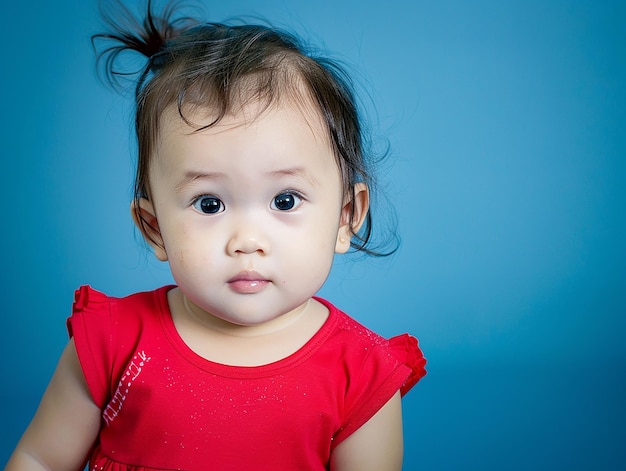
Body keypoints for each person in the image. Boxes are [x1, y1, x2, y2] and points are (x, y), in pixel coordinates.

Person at [6, 1, 426, 470]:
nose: (247, 240)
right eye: (210, 204)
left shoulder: (361, 372)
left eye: (285, 201)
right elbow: (41, 459)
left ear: (346, 216)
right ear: (154, 227)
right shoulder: (111, 343)